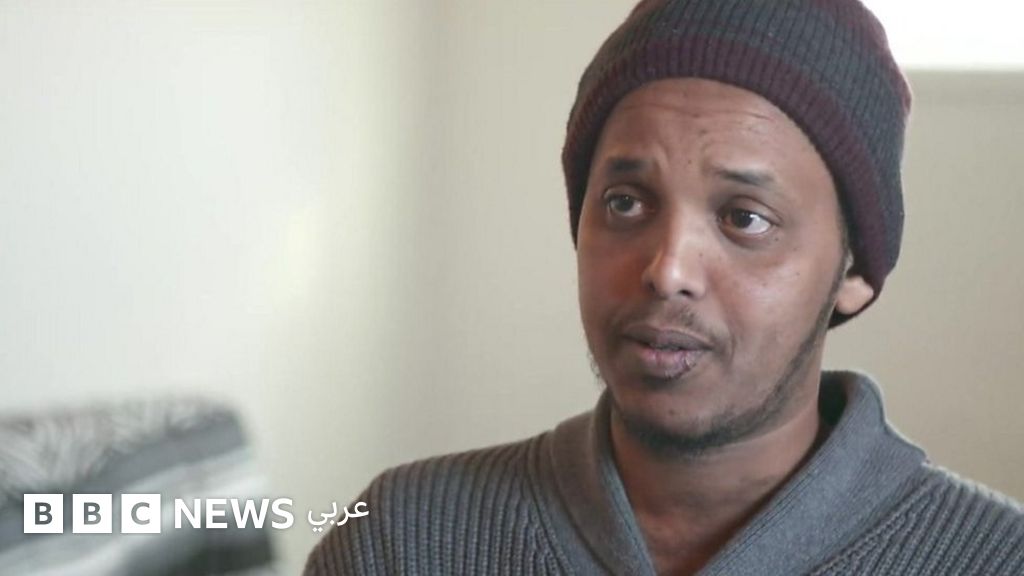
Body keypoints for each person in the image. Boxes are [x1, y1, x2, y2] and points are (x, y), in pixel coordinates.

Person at [305, 1, 1024, 574]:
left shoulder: (992, 559)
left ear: (855, 271)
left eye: (745, 218)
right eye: (625, 203)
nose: (667, 268)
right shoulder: (403, 541)